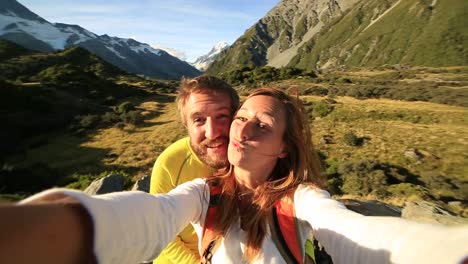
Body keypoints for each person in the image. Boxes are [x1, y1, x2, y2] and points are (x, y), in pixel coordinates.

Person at [1, 87, 467, 264]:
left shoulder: (301, 200)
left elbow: (358, 233)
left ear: (284, 147)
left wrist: (449, 251)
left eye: (261, 125)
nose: (240, 129)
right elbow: (153, 215)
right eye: (241, 117)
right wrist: (46, 229)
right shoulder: (203, 193)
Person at [149, 75, 239, 264]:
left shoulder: (252, 156)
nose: (212, 132)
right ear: (186, 126)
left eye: (221, 116)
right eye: (199, 120)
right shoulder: (170, 163)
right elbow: (159, 228)